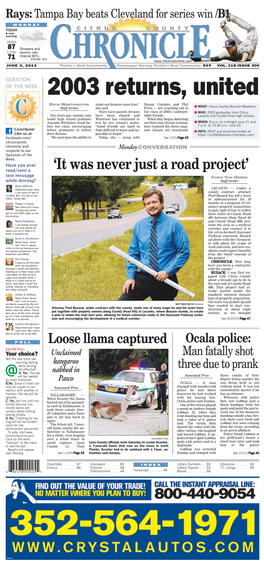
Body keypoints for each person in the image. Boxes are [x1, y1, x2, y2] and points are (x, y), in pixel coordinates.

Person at [118, 187, 190, 301]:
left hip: (165, 279)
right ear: (145, 206)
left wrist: (167, 271)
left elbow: (184, 252)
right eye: (148, 203)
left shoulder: (174, 225)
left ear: (162, 203)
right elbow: (133, 254)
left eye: (154, 202)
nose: (151, 206)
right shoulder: (139, 226)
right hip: (143, 278)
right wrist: (130, 277)